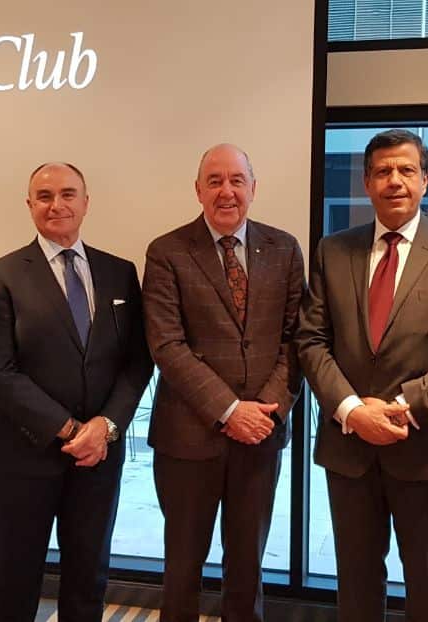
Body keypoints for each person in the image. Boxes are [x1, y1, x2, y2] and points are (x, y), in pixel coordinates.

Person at [296, 129, 428, 621]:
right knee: (356, 581)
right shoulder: (332, 250)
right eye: (383, 171)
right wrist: (353, 410)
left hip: (424, 446)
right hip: (349, 447)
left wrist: (404, 407)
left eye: (406, 170)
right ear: (366, 183)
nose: (395, 181)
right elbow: (311, 340)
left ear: (425, 180)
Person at [0, 162, 153, 621]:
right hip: (25, 453)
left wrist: (106, 427)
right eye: (45, 195)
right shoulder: (0, 275)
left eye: (68, 194)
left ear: (86, 202)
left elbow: (136, 361)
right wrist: (72, 428)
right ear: (30, 205)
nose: (58, 205)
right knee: (17, 574)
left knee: (89, 575)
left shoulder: (120, 272)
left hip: (98, 456)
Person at [141, 144, 305, 621]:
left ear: (254, 188)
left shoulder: (284, 248)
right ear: (198, 190)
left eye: (237, 180)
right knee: (183, 566)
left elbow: (298, 340)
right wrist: (231, 411)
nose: (226, 191)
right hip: (188, 440)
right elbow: (167, 346)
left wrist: (265, 410)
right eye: (214, 181)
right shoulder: (167, 251)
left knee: (247, 567)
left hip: (262, 436)